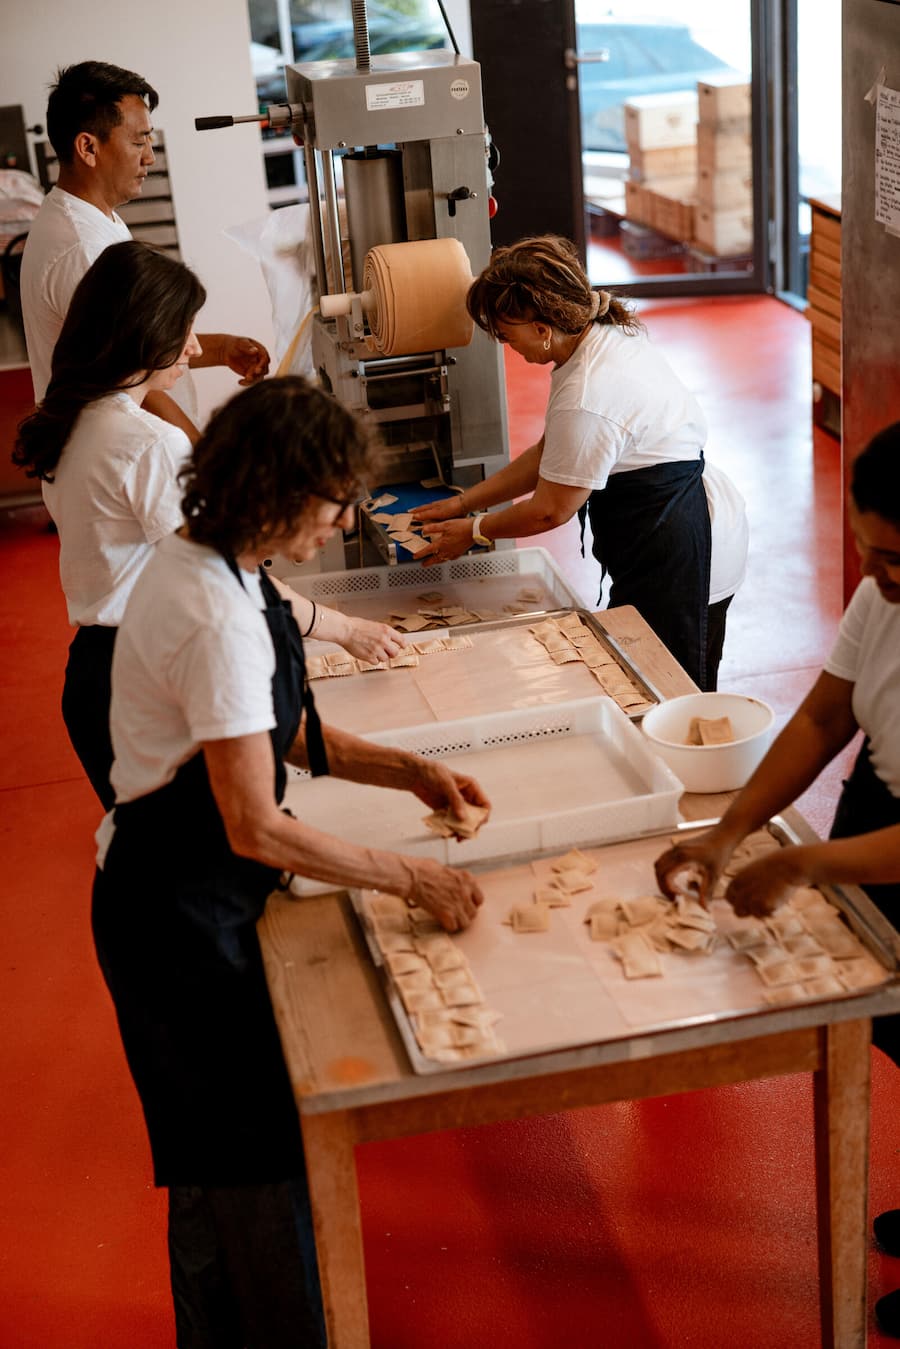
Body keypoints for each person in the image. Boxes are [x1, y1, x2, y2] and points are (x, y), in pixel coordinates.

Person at [91, 374, 487, 1347]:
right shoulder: (215, 614)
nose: (343, 518)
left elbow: (283, 731)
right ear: (272, 491)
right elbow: (254, 823)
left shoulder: (220, 564)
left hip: (177, 889)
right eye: (331, 499)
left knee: (206, 1155)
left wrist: (408, 771)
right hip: (175, 912)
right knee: (250, 1161)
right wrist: (412, 874)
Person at [654, 422, 900, 1337]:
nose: (877, 572)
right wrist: (729, 831)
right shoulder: (884, 592)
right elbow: (824, 716)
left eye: (898, 557)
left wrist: (803, 861)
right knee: (893, 1021)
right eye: (869, 547)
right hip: (882, 806)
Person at [13, 240, 403, 811]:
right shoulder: (148, 443)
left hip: (96, 673)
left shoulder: (74, 422)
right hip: (150, 674)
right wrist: (342, 629)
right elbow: (222, 575)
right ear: (143, 333)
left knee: (150, 848)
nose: (195, 346)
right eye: (185, 332)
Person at [412, 234, 748, 691]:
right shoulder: (599, 334)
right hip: (668, 524)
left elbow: (550, 508)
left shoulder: (587, 394)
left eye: (509, 337)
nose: (511, 349)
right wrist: (463, 503)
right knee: (642, 676)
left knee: (673, 691)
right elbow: (549, 453)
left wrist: (473, 532)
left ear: (541, 327)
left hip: (682, 547)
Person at [20, 60, 270, 438]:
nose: (150, 157)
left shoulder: (94, 218)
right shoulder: (82, 248)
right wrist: (205, 461)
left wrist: (219, 350)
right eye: (138, 141)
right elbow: (130, 371)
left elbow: (140, 338)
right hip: (124, 462)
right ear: (88, 147)